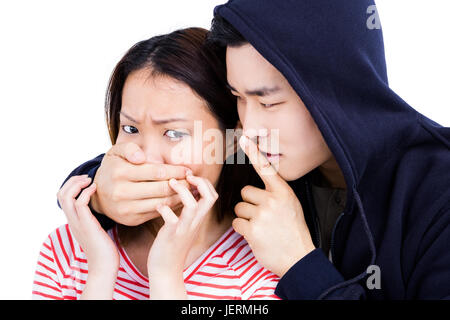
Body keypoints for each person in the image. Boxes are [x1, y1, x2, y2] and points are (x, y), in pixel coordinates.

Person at [54, 0, 450, 299]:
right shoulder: (259, 150)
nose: (249, 129)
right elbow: (170, 148)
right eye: (238, 99)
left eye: (269, 102)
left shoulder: (438, 194)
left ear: (335, 92)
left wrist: (301, 265)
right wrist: (99, 193)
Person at [32, 27, 280, 300]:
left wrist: (166, 277)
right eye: (130, 128)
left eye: (174, 133)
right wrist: (101, 271)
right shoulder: (69, 249)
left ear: (232, 142)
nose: (144, 157)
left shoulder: (261, 271)